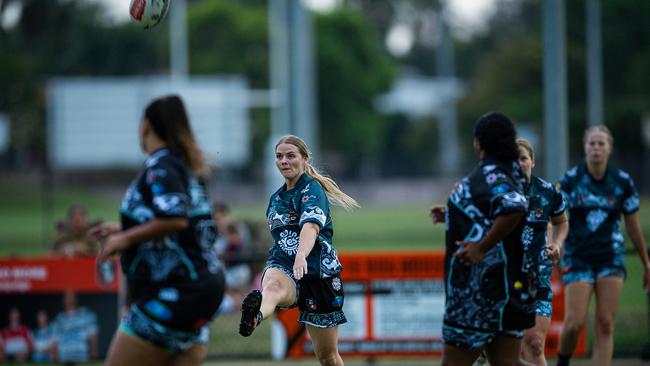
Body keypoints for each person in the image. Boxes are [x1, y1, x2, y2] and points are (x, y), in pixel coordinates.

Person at [90, 95, 225, 366]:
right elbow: (184, 226)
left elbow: (175, 220)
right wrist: (122, 228)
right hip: (203, 288)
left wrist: (124, 238)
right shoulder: (187, 166)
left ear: (145, 126)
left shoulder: (161, 166)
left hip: (175, 292)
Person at [238, 134, 358, 366]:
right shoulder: (275, 198)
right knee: (271, 286)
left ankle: (259, 312)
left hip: (317, 273)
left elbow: (310, 227)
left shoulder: (311, 189)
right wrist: (293, 258)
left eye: (290, 156)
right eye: (279, 156)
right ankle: (255, 316)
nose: (284, 161)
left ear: (304, 159)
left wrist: (302, 254)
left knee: (328, 357)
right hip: (284, 264)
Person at [437, 112, 534, 366]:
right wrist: (452, 214)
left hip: (478, 293)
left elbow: (513, 207)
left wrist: (481, 247)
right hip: (507, 286)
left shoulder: (491, 175)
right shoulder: (512, 172)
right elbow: (491, 214)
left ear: (479, 142)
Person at [555, 126, 650, 366]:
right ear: (585, 148)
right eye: (592, 144)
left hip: (611, 257)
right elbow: (554, 216)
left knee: (606, 323)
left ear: (609, 149)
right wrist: (554, 244)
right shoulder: (571, 180)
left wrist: (646, 262)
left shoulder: (622, 182)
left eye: (601, 144)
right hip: (578, 257)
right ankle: (563, 361)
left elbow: (632, 225)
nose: (596, 148)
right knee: (574, 323)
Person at [516, 139, 569, 366]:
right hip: (506, 278)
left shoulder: (548, 191)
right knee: (505, 350)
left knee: (535, 343)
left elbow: (562, 222)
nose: (519, 164)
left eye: (523, 158)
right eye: (513, 159)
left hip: (538, 277)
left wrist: (557, 243)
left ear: (533, 161)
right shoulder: (496, 193)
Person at [51, 291, 98, 365]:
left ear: (76, 299)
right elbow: (55, 341)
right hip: (64, 358)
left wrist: (94, 354)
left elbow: (93, 336)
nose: (70, 299)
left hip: (81, 358)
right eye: (68, 297)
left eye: (72, 297)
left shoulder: (85, 314)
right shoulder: (59, 319)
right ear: (64, 300)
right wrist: (54, 358)